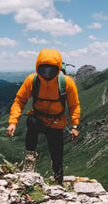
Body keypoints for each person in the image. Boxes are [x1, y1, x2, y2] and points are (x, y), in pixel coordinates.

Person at [6, 49, 80, 184]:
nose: (47, 74)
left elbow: (73, 105)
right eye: (43, 70)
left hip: (56, 122)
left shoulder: (67, 83)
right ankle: (30, 161)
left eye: (50, 70)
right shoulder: (32, 80)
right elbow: (19, 101)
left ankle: (58, 181)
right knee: (31, 122)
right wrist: (13, 122)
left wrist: (74, 125)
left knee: (57, 154)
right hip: (39, 118)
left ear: (57, 69)